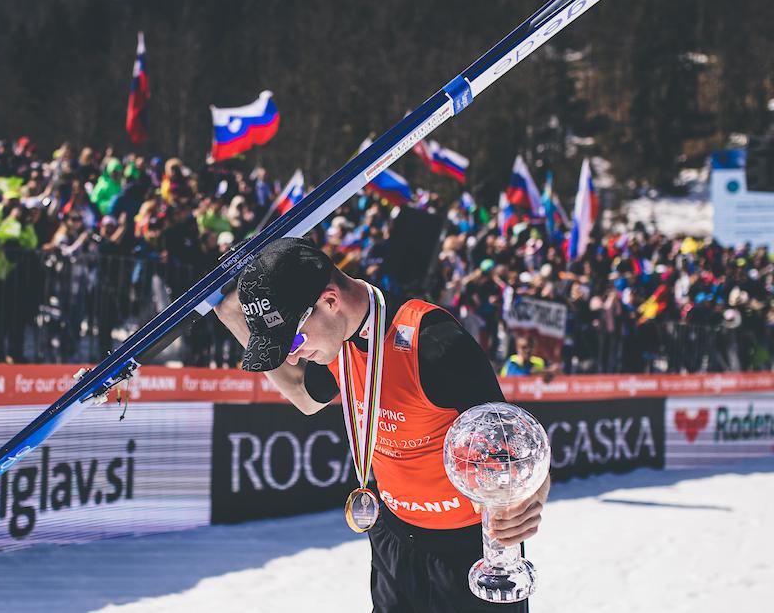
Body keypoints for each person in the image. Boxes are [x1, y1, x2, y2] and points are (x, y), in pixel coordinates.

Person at [214, 237, 549, 612]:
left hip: (467, 550)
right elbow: (302, 395)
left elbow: (515, 444)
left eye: (294, 339)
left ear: (329, 300)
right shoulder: (336, 345)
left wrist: (530, 499)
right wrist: (229, 313)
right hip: (393, 539)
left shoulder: (433, 342)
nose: (294, 354)